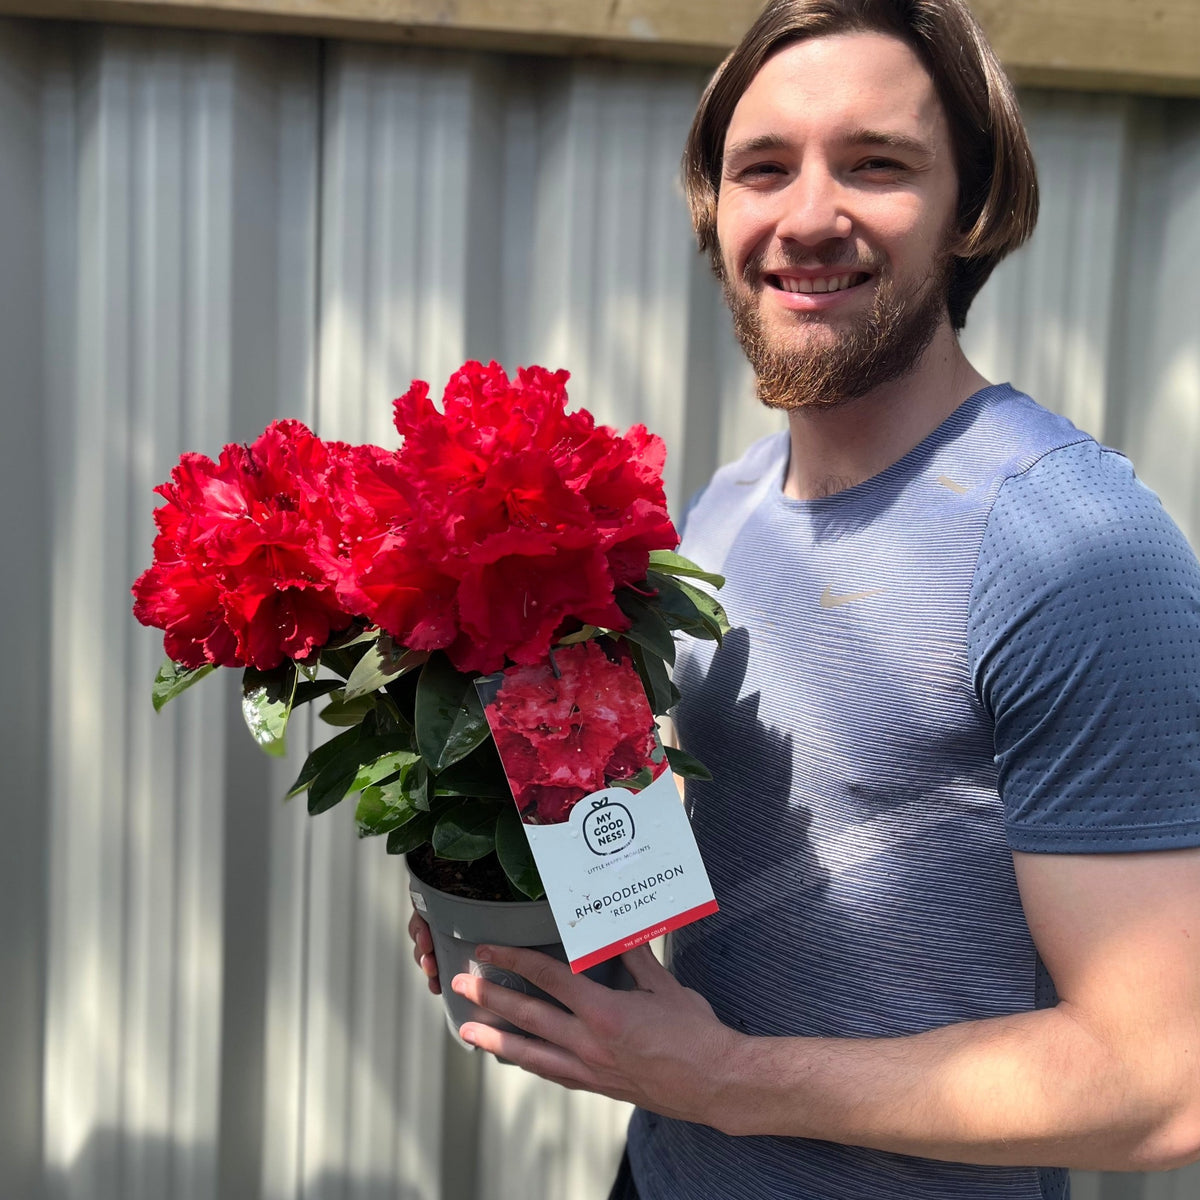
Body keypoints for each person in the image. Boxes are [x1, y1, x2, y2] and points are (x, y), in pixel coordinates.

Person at [409, 1, 1200, 1196]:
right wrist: (525, 911)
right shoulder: (723, 512)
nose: (809, 215)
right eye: (763, 168)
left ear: (972, 210)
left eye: (876, 165)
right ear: (716, 209)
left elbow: (1160, 1084)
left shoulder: (1073, 548)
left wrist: (718, 1077)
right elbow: (706, 873)